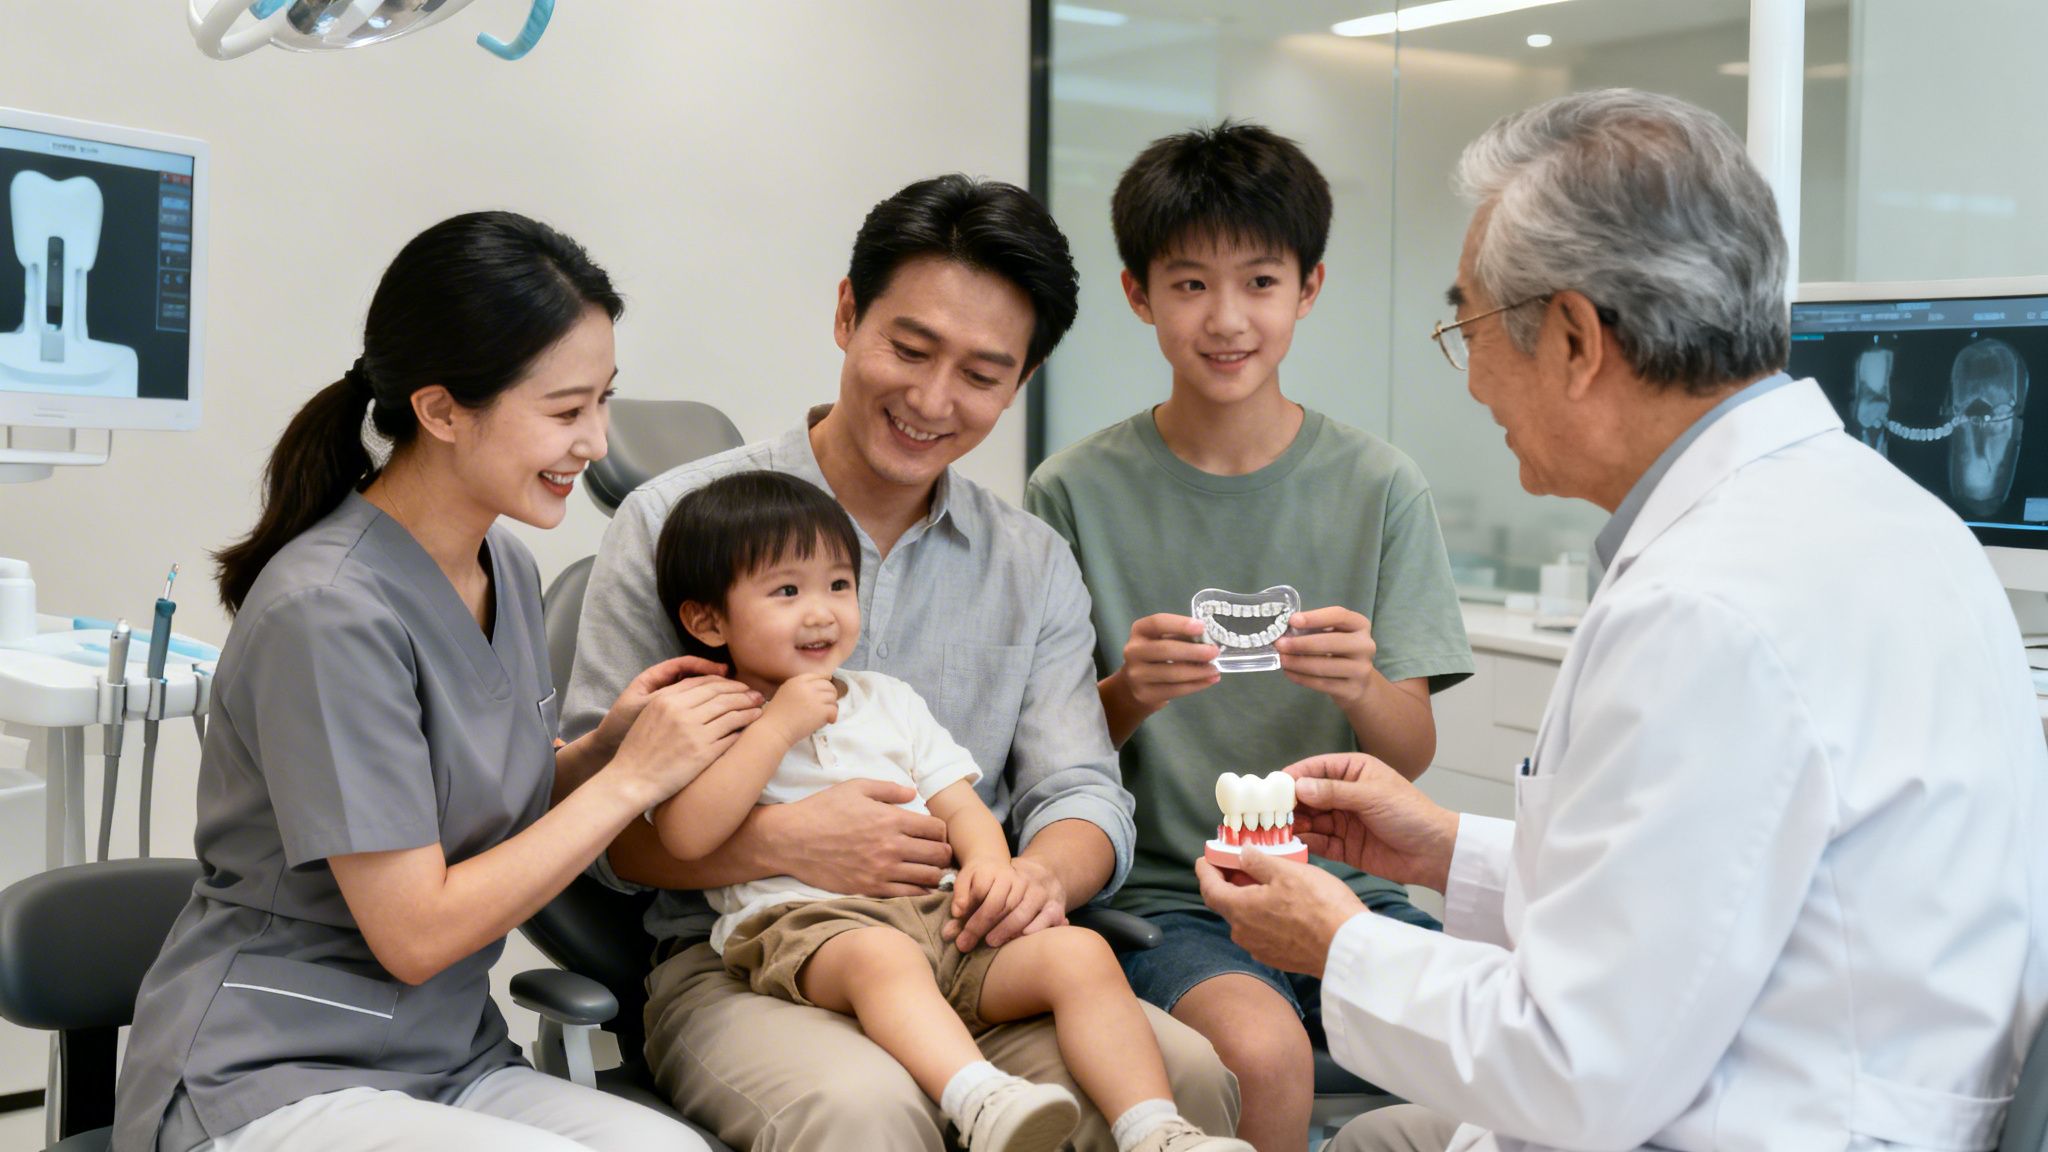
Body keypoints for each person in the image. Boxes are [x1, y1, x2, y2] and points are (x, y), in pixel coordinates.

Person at [1198, 89, 2048, 1152]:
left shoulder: (1708, 608)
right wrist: (1446, 851)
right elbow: (1694, 893)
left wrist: (1340, 943)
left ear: (1572, 338)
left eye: (1468, 329)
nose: (1472, 382)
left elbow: (1578, 1067)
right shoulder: (1888, 519)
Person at [562, 175, 1238, 1151]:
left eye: (981, 374)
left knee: (1186, 1074)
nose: (930, 400)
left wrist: (1030, 878)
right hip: (749, 962)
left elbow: (1080, 791)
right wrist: (785, 842)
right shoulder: (670, 521)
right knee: (867, 1111)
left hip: (962, 941)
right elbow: (604, 832)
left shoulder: (1030, 562)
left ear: (1021, 380)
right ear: (847, 313)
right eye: (909, 350)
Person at [111, 213, 763, 1152]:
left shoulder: (507, 567)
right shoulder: (327, 612)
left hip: (445, 1056)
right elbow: (414, 932)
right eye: (565, 410)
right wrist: (631, 782)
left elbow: (465, 805)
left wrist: (600, 753)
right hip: (270, 1071)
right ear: (443, 410)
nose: (595, 441)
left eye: (604, 402)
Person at [1025, 121, 1472, 1152]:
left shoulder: (1380, 485)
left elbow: (1408, 753)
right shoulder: (1071, 493)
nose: (1226, 319)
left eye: (1260, 283)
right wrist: (1130, 690)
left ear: (1308, 289)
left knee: (1487, 1040)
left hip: (1349, 889)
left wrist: (1361, 686)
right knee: (1262, 1056)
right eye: (1189, 285)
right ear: (1138, 294)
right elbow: (1047, 760)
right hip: (1168, 899)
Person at [641, 469, 1250, 1152]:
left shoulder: (888, 700)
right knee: (882, 958)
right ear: (707, 620)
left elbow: (960, 806)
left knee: (1079, 953)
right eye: (787, 591)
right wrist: (777, 726)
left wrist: (991, 866)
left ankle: (1155, 1131)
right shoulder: (710, 714)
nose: (821, 612)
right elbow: (686, 836)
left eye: (839, 585)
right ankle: (981, 1098)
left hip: (940, 916)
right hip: (806, 929)